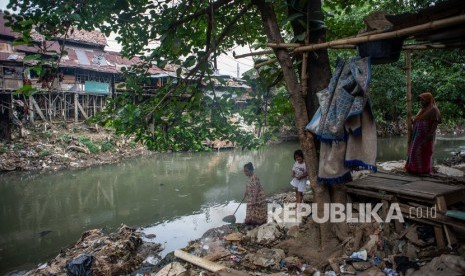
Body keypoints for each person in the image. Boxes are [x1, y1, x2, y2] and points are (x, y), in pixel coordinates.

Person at [405, 92, 441, 175]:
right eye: (420, 100)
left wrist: (430, 134)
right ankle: (414, 169)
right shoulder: (422, 109)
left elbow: (435, 122)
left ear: (428, 100)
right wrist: (411, 121)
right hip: (417, 135)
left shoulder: (433, 109)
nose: (421, 102)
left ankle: (422, 170)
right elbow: (417, 121)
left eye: (423, 100)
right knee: (413, 151)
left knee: (423, 152)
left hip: (426, 135)